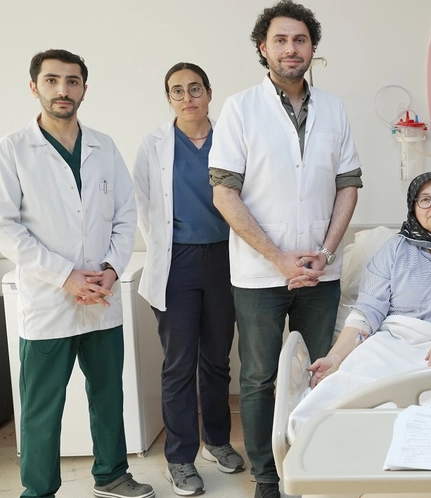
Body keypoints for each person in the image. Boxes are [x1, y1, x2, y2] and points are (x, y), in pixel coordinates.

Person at [208, 2, 362, 496]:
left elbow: (347, 185)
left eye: (300, 40)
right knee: (258, 378)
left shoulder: (333, 108)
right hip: (259, 275)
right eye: (280, 40)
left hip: (321, 272)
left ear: (312, 47)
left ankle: (313, 464)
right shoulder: (240, 108)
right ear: (263, 47)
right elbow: (224, 194)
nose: (290, 49)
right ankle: (267, 476)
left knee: (320, 371)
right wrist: (278, 258)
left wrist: (326, 252)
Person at [0, 49, 153, 498]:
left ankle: (112, 474)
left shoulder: (104, 147)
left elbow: (126, 214)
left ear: (85, 88)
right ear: (34, 87)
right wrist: (65, 276)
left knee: (108, 394)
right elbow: (6, 227)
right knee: (42, 405)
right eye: (52, 80)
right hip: (47, 300)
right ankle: (39, 491)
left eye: (72, 81)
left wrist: (111, 269)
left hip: (102, 296)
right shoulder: (13, 150)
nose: (62, 89)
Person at [133, 62, 244, 496]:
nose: (187, 98)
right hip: (175, 261)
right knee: (179, 363)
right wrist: (167, 245)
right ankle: (180, 459)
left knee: (217, 360)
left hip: (226, 258)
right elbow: (144, 203)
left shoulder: (230, 137)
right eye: (176, 91)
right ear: (169, 99)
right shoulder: (155, 143)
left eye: (195, 88)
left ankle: (217, 441)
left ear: (209, 93)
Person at [308, 172, 431, 386]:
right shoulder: (394, 250)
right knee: (358, 382)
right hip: (394, 343)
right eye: (425, 200)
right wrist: (335, 358)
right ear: (413, 207)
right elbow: (367, 311)